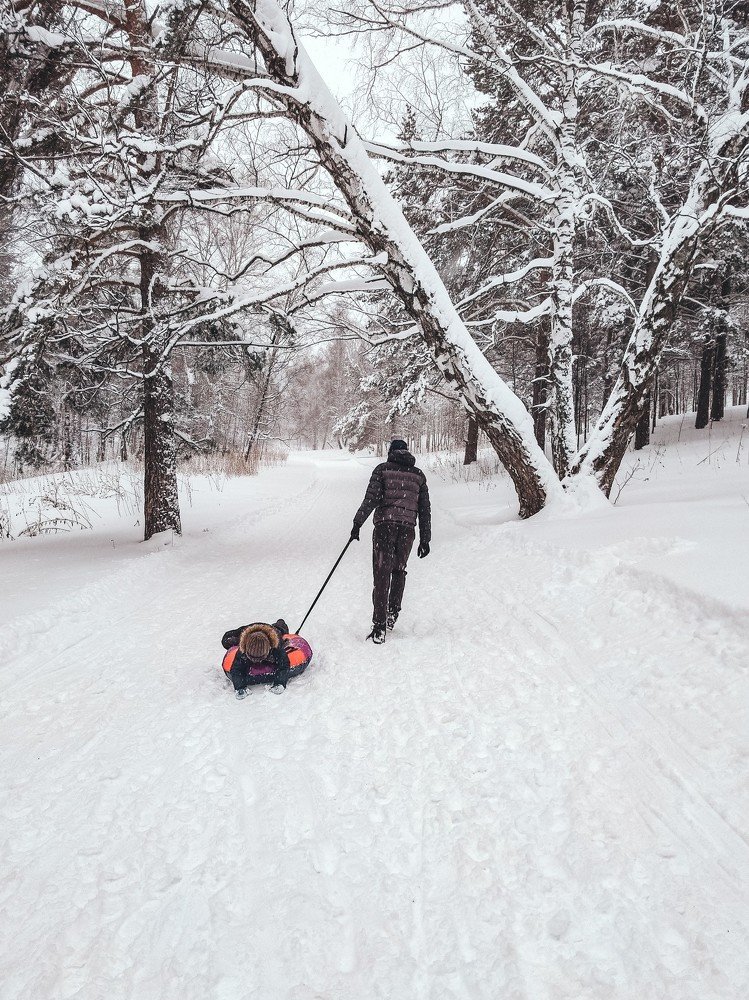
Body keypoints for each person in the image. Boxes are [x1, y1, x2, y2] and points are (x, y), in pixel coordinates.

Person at [350, 438, 431, 644]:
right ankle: (392, 613)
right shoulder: (418, 476)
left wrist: (358, 523)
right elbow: (424, 510)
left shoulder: (382, 470)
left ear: (391, 452)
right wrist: (425, 539)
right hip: (407, 530)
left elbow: (371, 499)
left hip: (385, 527)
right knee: (399, 570)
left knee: (381, 573)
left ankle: (379, 627)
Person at [221, 619, 312, 699]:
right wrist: (240, 687)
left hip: (271, 630)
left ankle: (279, 623)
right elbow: (236, 669)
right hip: (248, 630)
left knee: (280, 630)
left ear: (269, 650)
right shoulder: (242, 649)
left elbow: (284, 664)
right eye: (252, 658)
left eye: (260, 658)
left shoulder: (276, 646)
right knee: (226, 640)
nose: (257, 662)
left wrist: (280, 683)